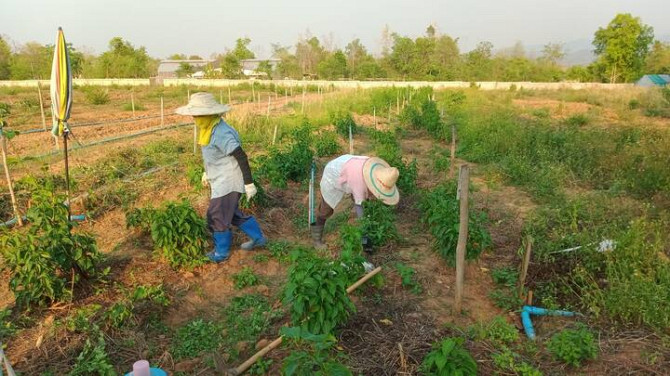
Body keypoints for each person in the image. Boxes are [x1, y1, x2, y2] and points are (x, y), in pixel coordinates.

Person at [176, 92, 267, 263]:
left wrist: (249, 183)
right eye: (194, 115)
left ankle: (221, 253)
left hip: (229, 181)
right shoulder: (209, 129)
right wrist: (207, 173)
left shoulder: (221, 132)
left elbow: (241, 155)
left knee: (216, 215)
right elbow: (214, 155)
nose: (195, 118)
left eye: (198, 115)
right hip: (219, 179)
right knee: (231, 214)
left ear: (210, 114)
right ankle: (258, 238)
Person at [311, 155, 399, 251]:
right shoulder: (359, 181)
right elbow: (360, 206)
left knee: (364, 199)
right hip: (334, 173)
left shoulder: (378, 172)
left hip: (349, 167)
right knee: (325, 209)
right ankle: (317, 240)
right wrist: (365, 233)